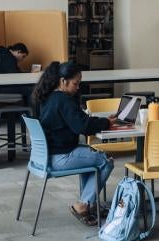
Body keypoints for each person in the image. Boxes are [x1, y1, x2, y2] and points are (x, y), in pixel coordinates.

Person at [32, 61, 115, 226]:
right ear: (63, 81)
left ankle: (89, 203)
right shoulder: (64, 100)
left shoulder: (47, 96)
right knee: (105, 161)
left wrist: (99, 120)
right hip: (60, 157)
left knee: (91, 158)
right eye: (75, 83)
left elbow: (78, 121)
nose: (78, 87)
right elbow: (82, 126)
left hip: (45, 156)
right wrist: (106, 122)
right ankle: (83, 205)